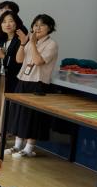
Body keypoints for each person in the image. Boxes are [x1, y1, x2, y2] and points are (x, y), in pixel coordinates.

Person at [5, 14, 58, 158]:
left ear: (50, 28)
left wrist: (32, 43)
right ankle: (17, 145)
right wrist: (23, 43)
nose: (37, 28)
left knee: (32, 116)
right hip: (23, 79)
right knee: (19, 113)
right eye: (35, 25)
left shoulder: (51, 44)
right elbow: (19, 59)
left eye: (42, 25)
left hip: (38, 82)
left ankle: (29, 148)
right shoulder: (30, 41)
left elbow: (38, 61)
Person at [0, 10, 23, 145]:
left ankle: (3, 137)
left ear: (17, 23)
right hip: (0, 77)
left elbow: (18, 63)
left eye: (11, 21)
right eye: (4, 21)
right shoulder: (3, 40)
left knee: (6, 109)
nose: (7, 24)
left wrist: (3, 57)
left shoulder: (19, 41)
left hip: (12, 80)